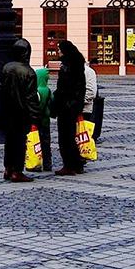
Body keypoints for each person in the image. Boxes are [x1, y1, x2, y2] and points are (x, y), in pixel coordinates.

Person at [0, 38, 41, 183]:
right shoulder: (29, 72)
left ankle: (8, 169)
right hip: (21, 113)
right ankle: (17, 171)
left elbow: (0, 90)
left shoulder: (6, 67)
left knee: (9, 141)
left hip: (7, 111)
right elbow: (31, 98)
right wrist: (35, 117)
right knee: (20, 142)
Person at [51, 40, 87, 176]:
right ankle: (77, 164)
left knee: (65, 137)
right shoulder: (77, 64)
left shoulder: (67, 66)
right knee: (71, 136)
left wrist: (59, 102)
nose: (58, 52)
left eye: (59, 49)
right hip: (73, 105)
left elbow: (64, 88)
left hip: (67, 106)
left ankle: (69, 165)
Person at [31, 67, 53, 172]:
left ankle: (36, 163)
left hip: (37, 121)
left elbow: (34, 106)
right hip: (46, 121)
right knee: (46, 142)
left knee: (36, 142)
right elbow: (52, 102)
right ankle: (47, 164)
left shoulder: (37, 91)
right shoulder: (48, 90)